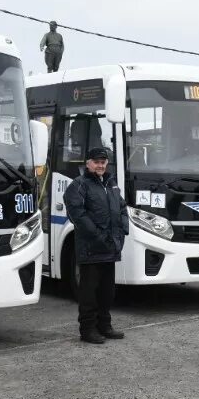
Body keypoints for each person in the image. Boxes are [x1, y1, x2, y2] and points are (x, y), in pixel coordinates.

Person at [63, 146, 129, 344]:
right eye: (96, 162)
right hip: (91, 249)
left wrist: (122, 231)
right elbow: (78, 215)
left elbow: (122, 208)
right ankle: (87, 330)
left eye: (103, 162)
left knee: (107, 291)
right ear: (88, 163)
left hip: (110, 248)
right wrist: (99, 236)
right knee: (89, 293)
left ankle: (104, 326)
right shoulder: (79, 185)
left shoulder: (111, 184)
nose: (100, 165)